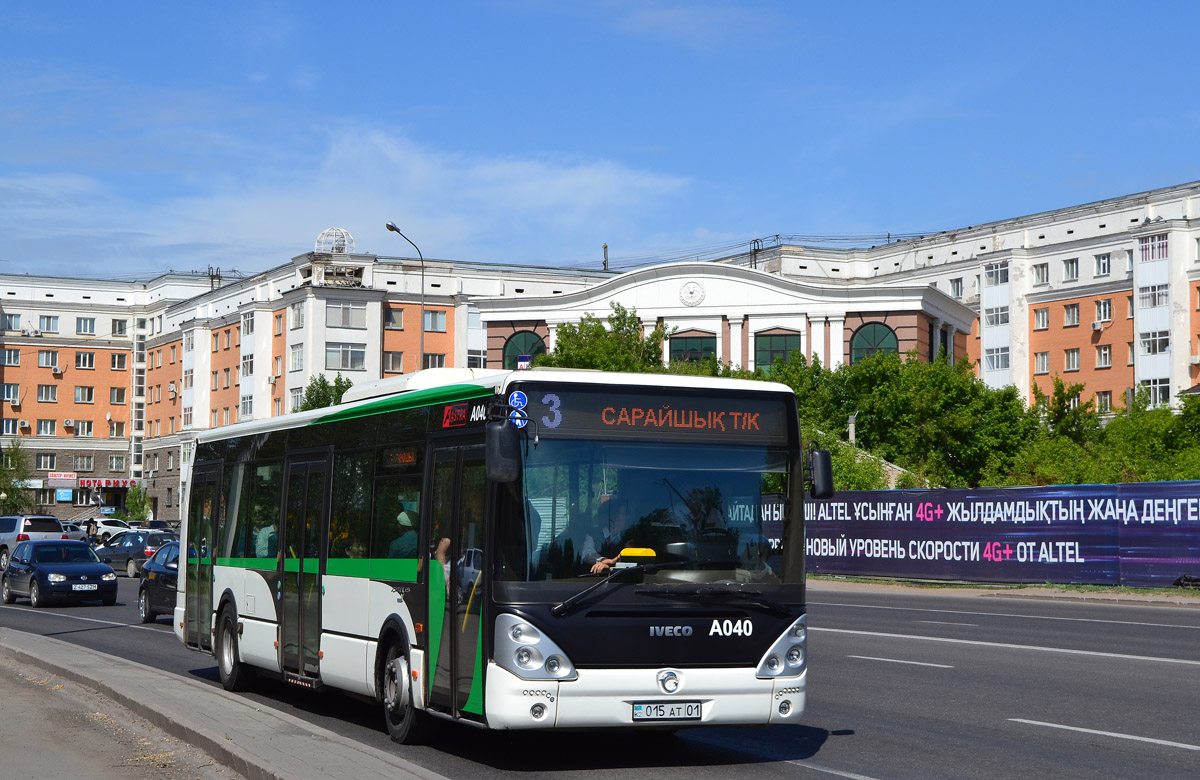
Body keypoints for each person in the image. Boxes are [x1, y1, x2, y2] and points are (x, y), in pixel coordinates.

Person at [590, 500, 632, 574]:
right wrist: (603, 561)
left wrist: (611, 562)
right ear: (613, 517)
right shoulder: (593, 536)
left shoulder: (627, 537)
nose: (627, 517)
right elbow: (587, 554)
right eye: (624, 514)